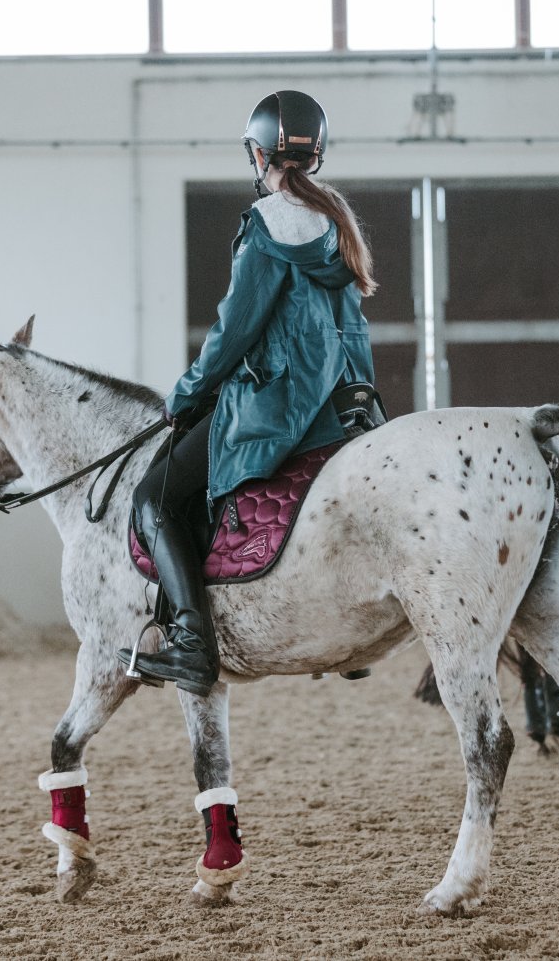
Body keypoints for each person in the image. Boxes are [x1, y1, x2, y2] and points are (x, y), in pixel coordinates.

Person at [116, 90, 378, 695]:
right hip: (348, 405)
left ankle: (188, 641)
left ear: (258, 155)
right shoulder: (336, 222)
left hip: (280, 408)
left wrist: (187, 393)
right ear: (315, 156)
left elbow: (236, 329)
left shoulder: (265, 226)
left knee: (153, 499)